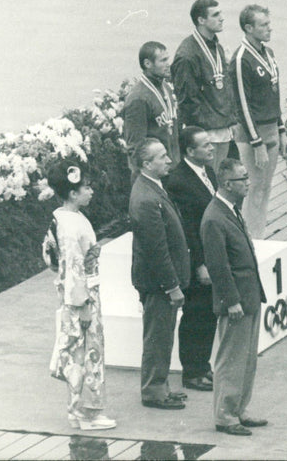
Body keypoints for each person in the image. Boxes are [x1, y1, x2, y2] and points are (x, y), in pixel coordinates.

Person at [42, 160, 116, 430]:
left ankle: (78, 409)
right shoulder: (73, 227)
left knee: (77, 351)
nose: (91, 191)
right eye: (86, 187)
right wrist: (83, 303)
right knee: (87, 352)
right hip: (82, 297)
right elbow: (74, 267)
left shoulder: (61, 218)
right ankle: (87, 411)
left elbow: (50, 258)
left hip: (73, 293)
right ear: (73, 193)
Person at [200, 158, 268, 436]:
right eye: (243, 179)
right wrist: (232, 301)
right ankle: (225, 414)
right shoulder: (215, 218)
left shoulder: (230, 210)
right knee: (231, 359)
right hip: (237, 301)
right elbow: (218, 265)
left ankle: (239, 407)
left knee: (247, 358)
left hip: (248, 296)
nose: (248, 182)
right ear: (228, 184)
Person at [129, 138, 191, 410]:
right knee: (158, 336)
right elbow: (157, 249)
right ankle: (154, 391)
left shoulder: (151, 188)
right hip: (158, 284)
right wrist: (172, 286)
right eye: (162, 156)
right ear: (146, 164)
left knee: (163, 334)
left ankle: (161, 385)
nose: (169, 160)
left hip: (160, 283)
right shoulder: (145, 199)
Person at [229, 4, 287, 239]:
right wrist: (257, 144)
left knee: (265, 189)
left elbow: (274, 97)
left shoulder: (269, 53)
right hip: (252, 137)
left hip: (272, 131)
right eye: (263, 25)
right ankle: (248, 240)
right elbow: (242, 105)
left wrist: (282, 130)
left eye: (268, 23)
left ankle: (258, 235)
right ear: (248, 28)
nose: (269, 28)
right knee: (253, 189)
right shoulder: (240, 59)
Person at [166, 126, 218, 392]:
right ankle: (192, 371)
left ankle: (203, 365)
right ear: (189, 151)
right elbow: (186, 228)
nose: (211, 148)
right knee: (196, 313)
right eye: (205, 145)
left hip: (214, 255)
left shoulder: (207, 170)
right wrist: (200, 263)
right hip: (197, 261)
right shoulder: (178, 181)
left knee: (209, 313)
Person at [171, 0, 237, 175]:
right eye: (216, 15)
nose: (222, 18)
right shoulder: (187, 55)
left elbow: (223, 87)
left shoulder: (216, 46)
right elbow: (187, 101)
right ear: (201, 20)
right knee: (210, 187)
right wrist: (201, 138)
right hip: (207, 136)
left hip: (223, 130)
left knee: (221, 184)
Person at [123, 41, 180, 183]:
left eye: (168, 59)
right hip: (154, 176)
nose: (169, 64)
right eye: (163, 60)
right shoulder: (138, 99)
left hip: (171, 170)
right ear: (148, 64)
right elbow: (135, 147)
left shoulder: (165, 87)